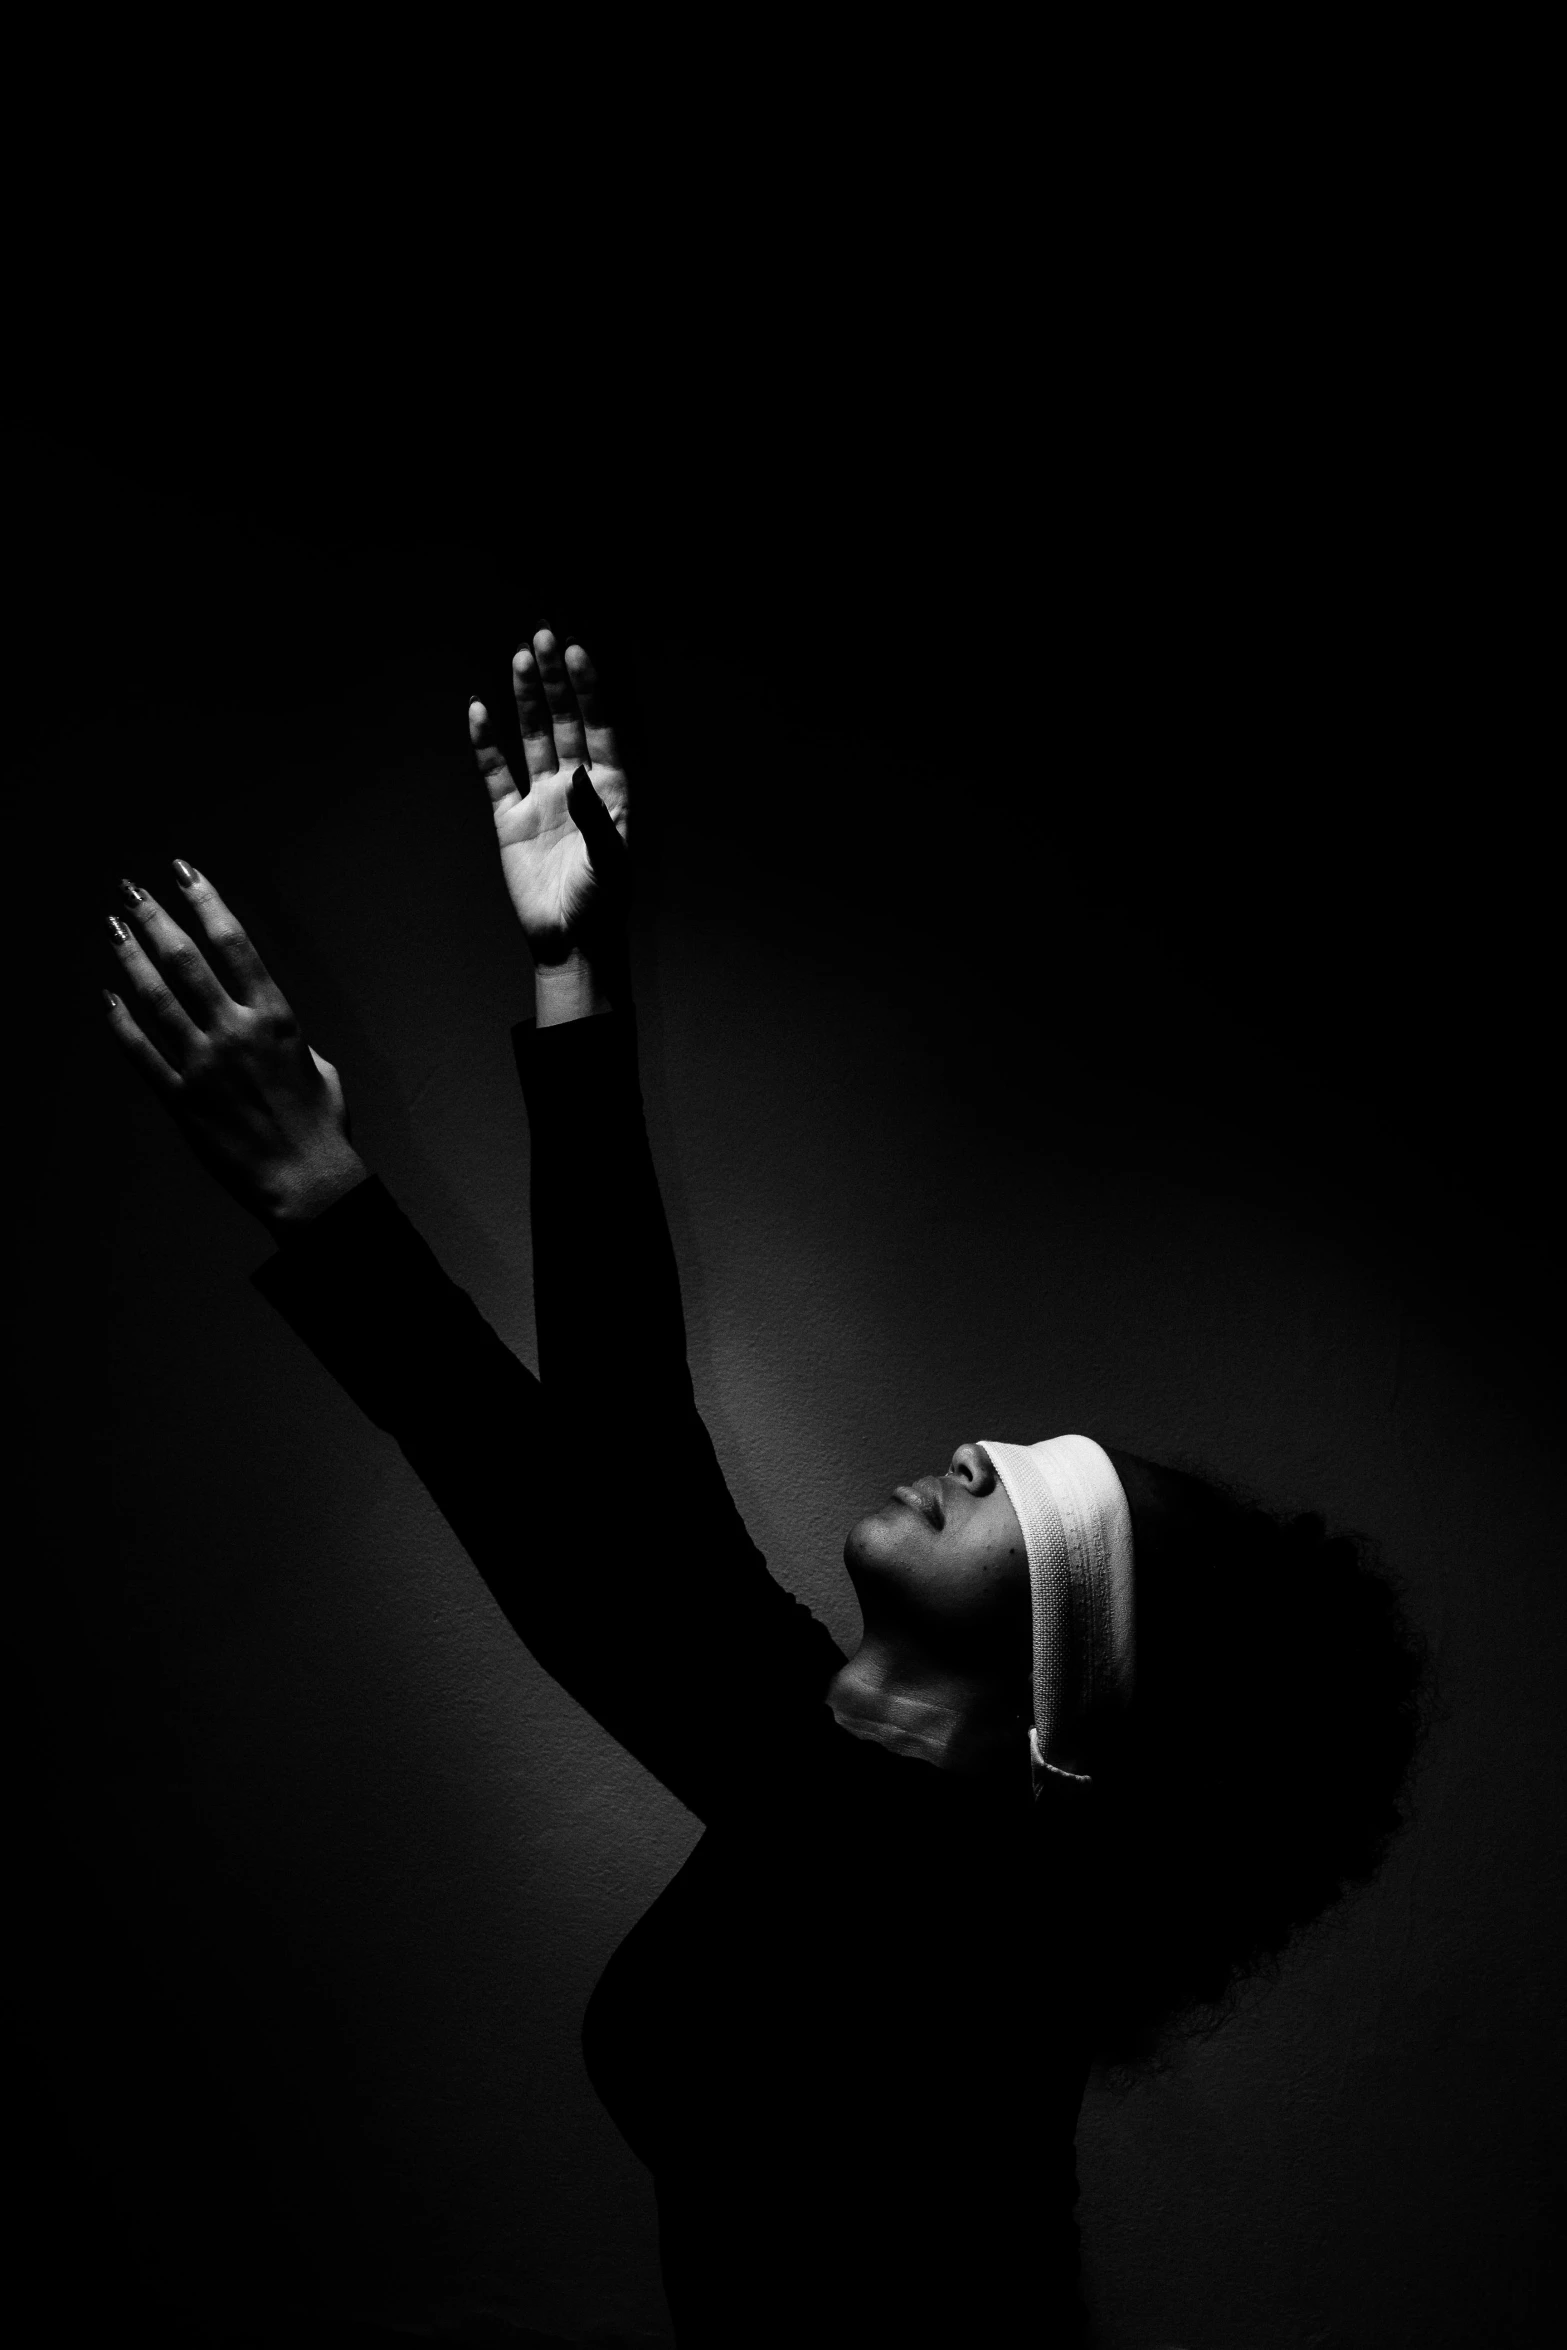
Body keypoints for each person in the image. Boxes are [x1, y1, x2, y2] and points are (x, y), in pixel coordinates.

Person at [104, 631, 1426, 2346]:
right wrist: (576, 969)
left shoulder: (952, 1934)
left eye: (1052, 1505)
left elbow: (606, 1575)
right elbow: (631, 1474)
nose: (984, 1454)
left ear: (1065, 1710)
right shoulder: (850, 1797)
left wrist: (323, 1193)